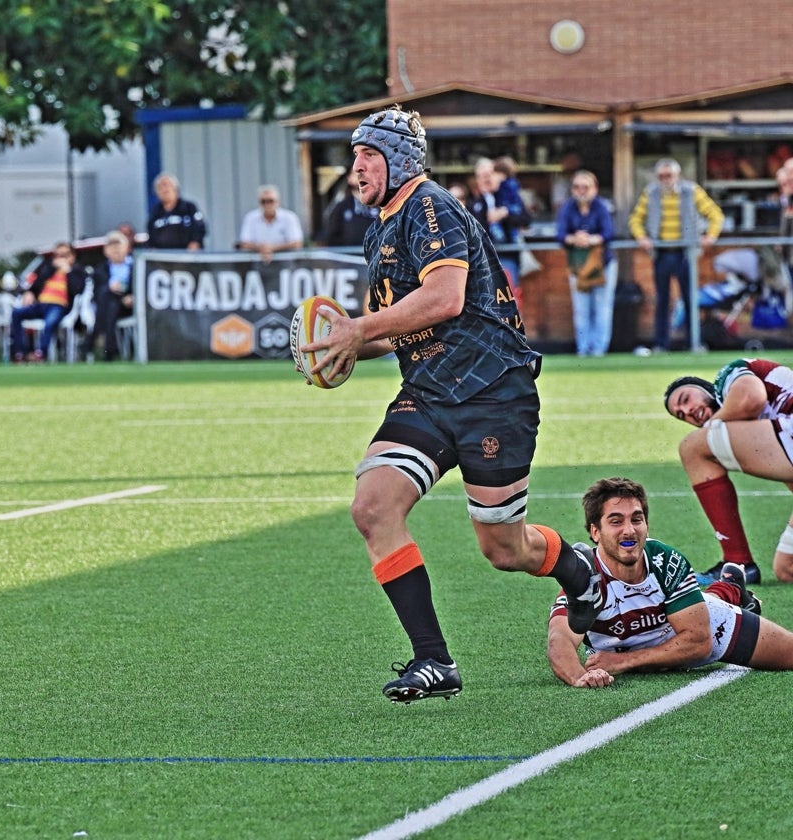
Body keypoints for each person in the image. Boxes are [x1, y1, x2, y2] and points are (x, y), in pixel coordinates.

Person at [303, 106, 601, 704]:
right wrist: (344, 349)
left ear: (400, 160)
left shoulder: (429, 204)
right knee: (372, 506)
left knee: (504, 549)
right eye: (353, 157)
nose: (355, 168)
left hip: (493, 392)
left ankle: (579, 571)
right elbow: (399, 329)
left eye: (368, 156)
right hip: (429, 393)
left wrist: (358, 328)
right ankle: (433, 660)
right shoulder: (380, 227)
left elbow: (443, 297)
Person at [546, 477, 793, 689]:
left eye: (636, 519)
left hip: (695, 637)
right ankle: (729, 588)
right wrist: (582, 677)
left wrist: (623, 661)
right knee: (696, 603)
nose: (629, 530)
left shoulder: (666, 561)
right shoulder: (585, 577)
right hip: (674, 625)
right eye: (616, 521)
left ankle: (727, 590)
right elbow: (560, 640)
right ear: (595, 532)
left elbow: (699, 641)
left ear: (647, 524)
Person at [663, 357, 793, 584]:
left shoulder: (728, 377)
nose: (687, 411)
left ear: (706, 388)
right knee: (786, 567)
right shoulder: (771, 430)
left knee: (692, 447)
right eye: (681, 415)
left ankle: (737, 562)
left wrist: (712, 425)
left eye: (685, 399)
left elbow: (752, 397)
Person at [628, 158, 724, 353]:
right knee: (662, 299)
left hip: (685, 252)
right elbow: (635, 219)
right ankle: (661, 344)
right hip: (661, 253)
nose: (665, 180)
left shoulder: (692, 191)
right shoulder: (651, 193)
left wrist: (711, 236)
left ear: (677, 176)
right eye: (661, 176)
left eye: (668, 175)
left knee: (690, 299)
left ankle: (693, 343)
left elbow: (715, 214)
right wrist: (642, 237)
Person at [555, 170, 617, 357]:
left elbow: (609, 233)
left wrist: (591, 239)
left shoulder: (601, 207)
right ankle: (583, 349)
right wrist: (575, 238)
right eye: (577, 187)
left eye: (585, 187)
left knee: (602, 307)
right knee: (581, 309)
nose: (581, 191)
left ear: (595, 189)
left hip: (603, 264)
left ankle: (599, 350)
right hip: (578, 265)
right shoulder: (567, 207)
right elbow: (560, 234)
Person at [9, 242, 88, 363]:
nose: (60, 258)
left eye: (64, 255)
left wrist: (68, 271)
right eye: (57, 255)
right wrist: (28, 293)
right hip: (41, 305)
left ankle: (40, 353)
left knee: (50, 321)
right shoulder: (48, 269)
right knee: (17, 313)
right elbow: (34, 288)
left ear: (72, 256)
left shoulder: (77, 270)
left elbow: (77, 289)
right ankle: (20, 352)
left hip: (60, 306)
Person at [467, 156, 532, 289]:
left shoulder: (509, 196)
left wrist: (505, 213)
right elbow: (474, 232)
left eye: (489, 174)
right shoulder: (474, 203)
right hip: (482, 260)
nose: (486, 179)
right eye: (482, 176)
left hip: (506, 255)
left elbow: (526, 219)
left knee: (508, 299)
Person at [82, 230, 134, 362]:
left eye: (119, 244)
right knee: (109, 300)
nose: (116, 249)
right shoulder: (100, 270)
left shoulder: (136, 266)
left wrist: (132, 297)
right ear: (106, 251)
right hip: (109, 305)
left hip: (129, 306)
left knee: (108, 301)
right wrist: (111, 288)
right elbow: (96, 293)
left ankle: (92, 340)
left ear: (127, 248)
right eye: (112, 245)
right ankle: (110, 348)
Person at [237, 185, 304, 263]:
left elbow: (297, 243)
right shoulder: (250, 218)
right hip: (257, 263)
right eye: (263, 201)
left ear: (277, 202)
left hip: (286, 264)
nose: (267, 205)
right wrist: (262, 248)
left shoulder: (289, 217)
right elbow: (244, 243)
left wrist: (272, 248)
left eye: (270, 201)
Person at [317, 170, 379, 247]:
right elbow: (329, 234)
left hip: (375, 256)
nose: (360, 177)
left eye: (363, 174)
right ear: (349, 179)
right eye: (356, 174)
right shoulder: (342, 207)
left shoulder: (378, 204)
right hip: (349, 257)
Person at [145, 173, 206, 250]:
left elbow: (200, 227)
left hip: (187, 255)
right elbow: (150, 233)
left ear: (175, 189)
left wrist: (195, 242)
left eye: (168, 185)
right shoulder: (155, 212)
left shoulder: (189, 207)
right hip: (162, 257)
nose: (165, 189)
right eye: (161, 187)